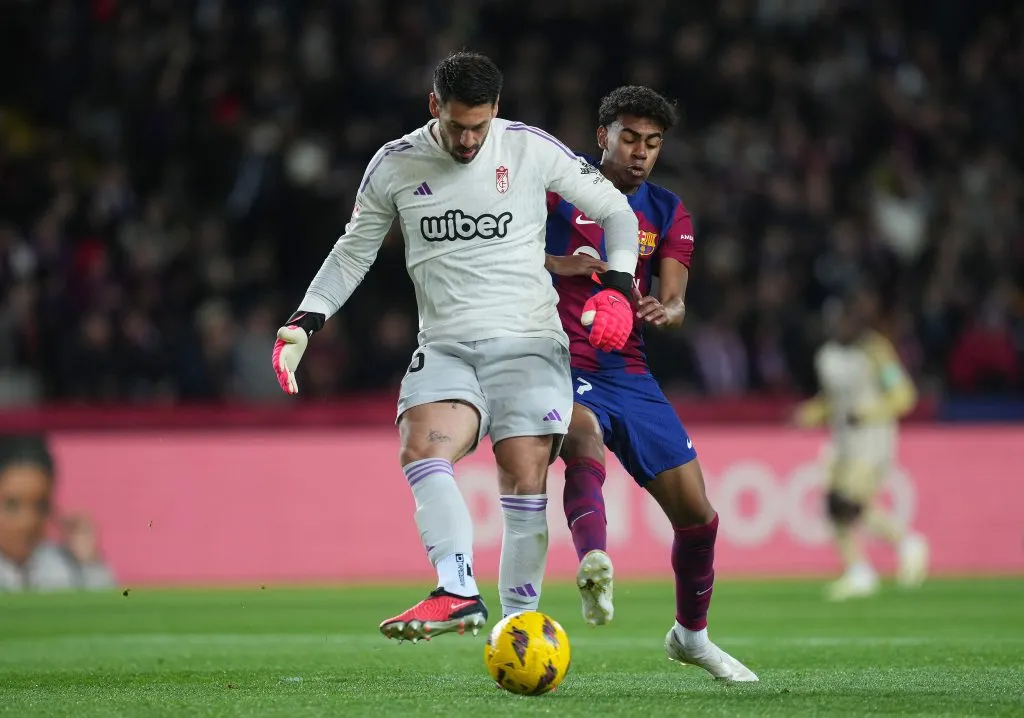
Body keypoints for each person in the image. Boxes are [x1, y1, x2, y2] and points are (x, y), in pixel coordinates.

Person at [271, 52, 640, 642]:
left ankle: (519, 628)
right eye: (457, 126)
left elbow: (616, 211)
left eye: (479, 126)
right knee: (420, 446)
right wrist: (306, 322)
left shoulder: (528, 148)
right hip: (445, 345)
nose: (468, 140)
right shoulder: (394, 164)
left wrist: (619, 287)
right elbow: (353, 251)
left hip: (528, 341)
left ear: (497, 110)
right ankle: (458, 589)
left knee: (524, 476)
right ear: (433, 106)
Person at [544, 86, 757, 682]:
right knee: (581, 434)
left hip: (628, 371)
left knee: (699, 517)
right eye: (630, 138)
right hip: (556, 359)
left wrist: (667, 310)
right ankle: (594, 560)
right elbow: (498, 252)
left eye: (653, 143)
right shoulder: (555, 186)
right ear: (603, 136)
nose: (640, 152)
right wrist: (556, 264)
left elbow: (677, 300)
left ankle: (691, 637)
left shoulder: (666, 211)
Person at [794, 287, 929, 601]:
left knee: (846, 500)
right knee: (838, 507)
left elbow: (904, 395)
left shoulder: (876, 351)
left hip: (872, 439)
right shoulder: (826, 356)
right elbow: (832, 401)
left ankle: (888, 554)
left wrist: (870, 412)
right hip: (843, 441)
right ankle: (870, 564)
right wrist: (812, 412)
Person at [0, 434, 115, 591]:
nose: (28, 521)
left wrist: (89, 562)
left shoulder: (63, 566)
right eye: (12, 506)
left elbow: (105, 604)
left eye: (40, 506)